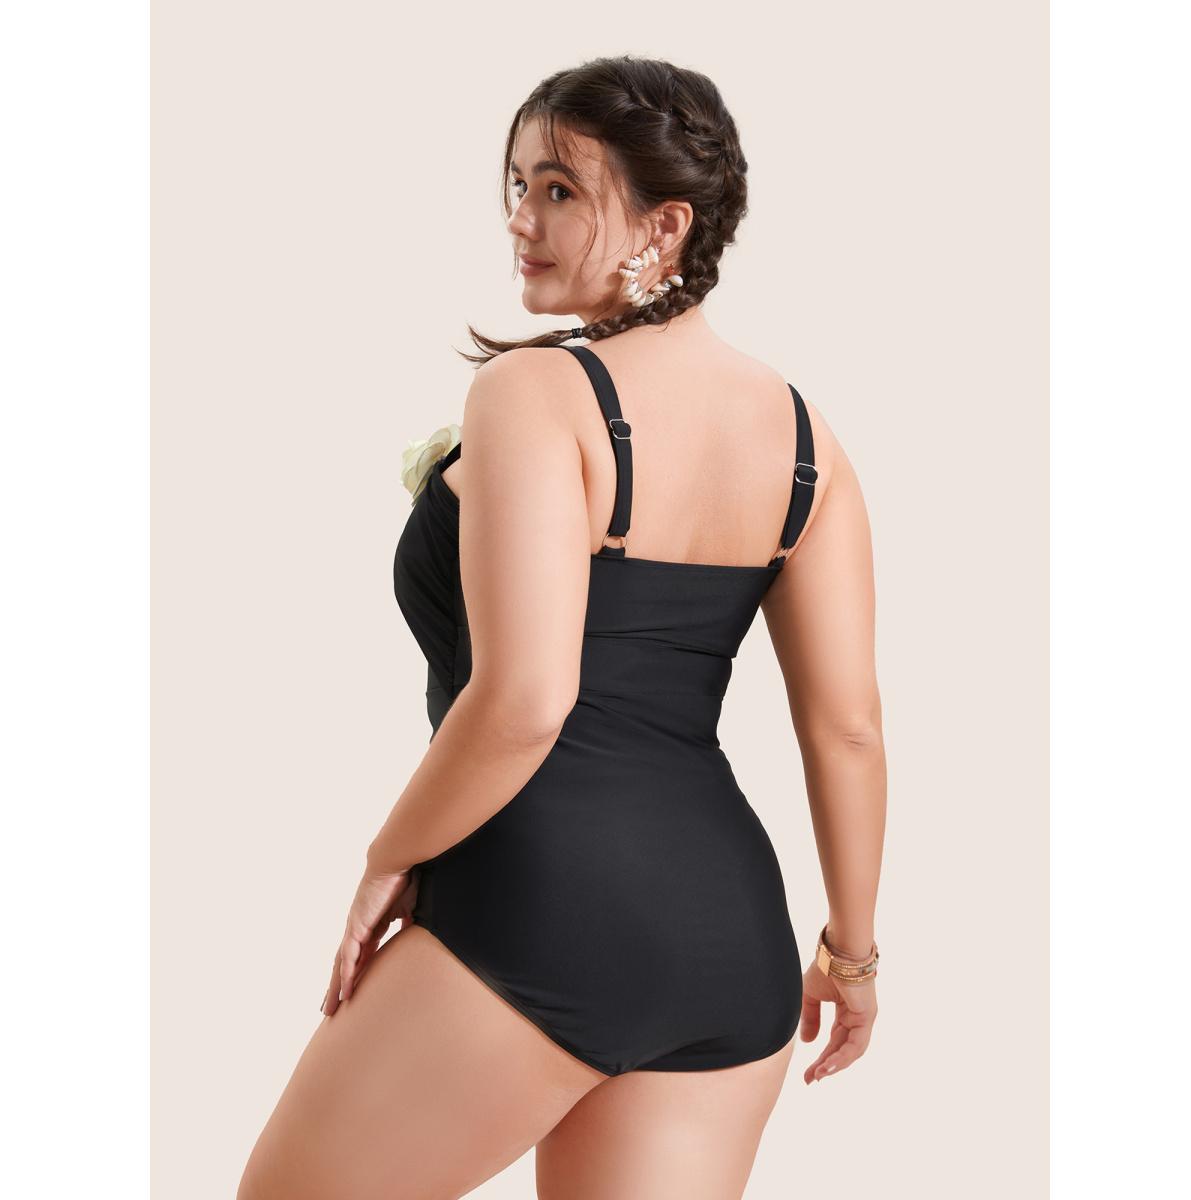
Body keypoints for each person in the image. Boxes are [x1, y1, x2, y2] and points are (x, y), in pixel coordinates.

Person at [238, 54, 886, 1200]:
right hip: (728, 945)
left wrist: (389, 859)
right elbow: (848, 730)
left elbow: (525, 703)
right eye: (520, 185)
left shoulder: (537, 395)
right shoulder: (806, 439)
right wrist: (852, 953)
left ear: (667, 223)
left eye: (560, 191)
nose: (521, 219)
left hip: (541, 910)